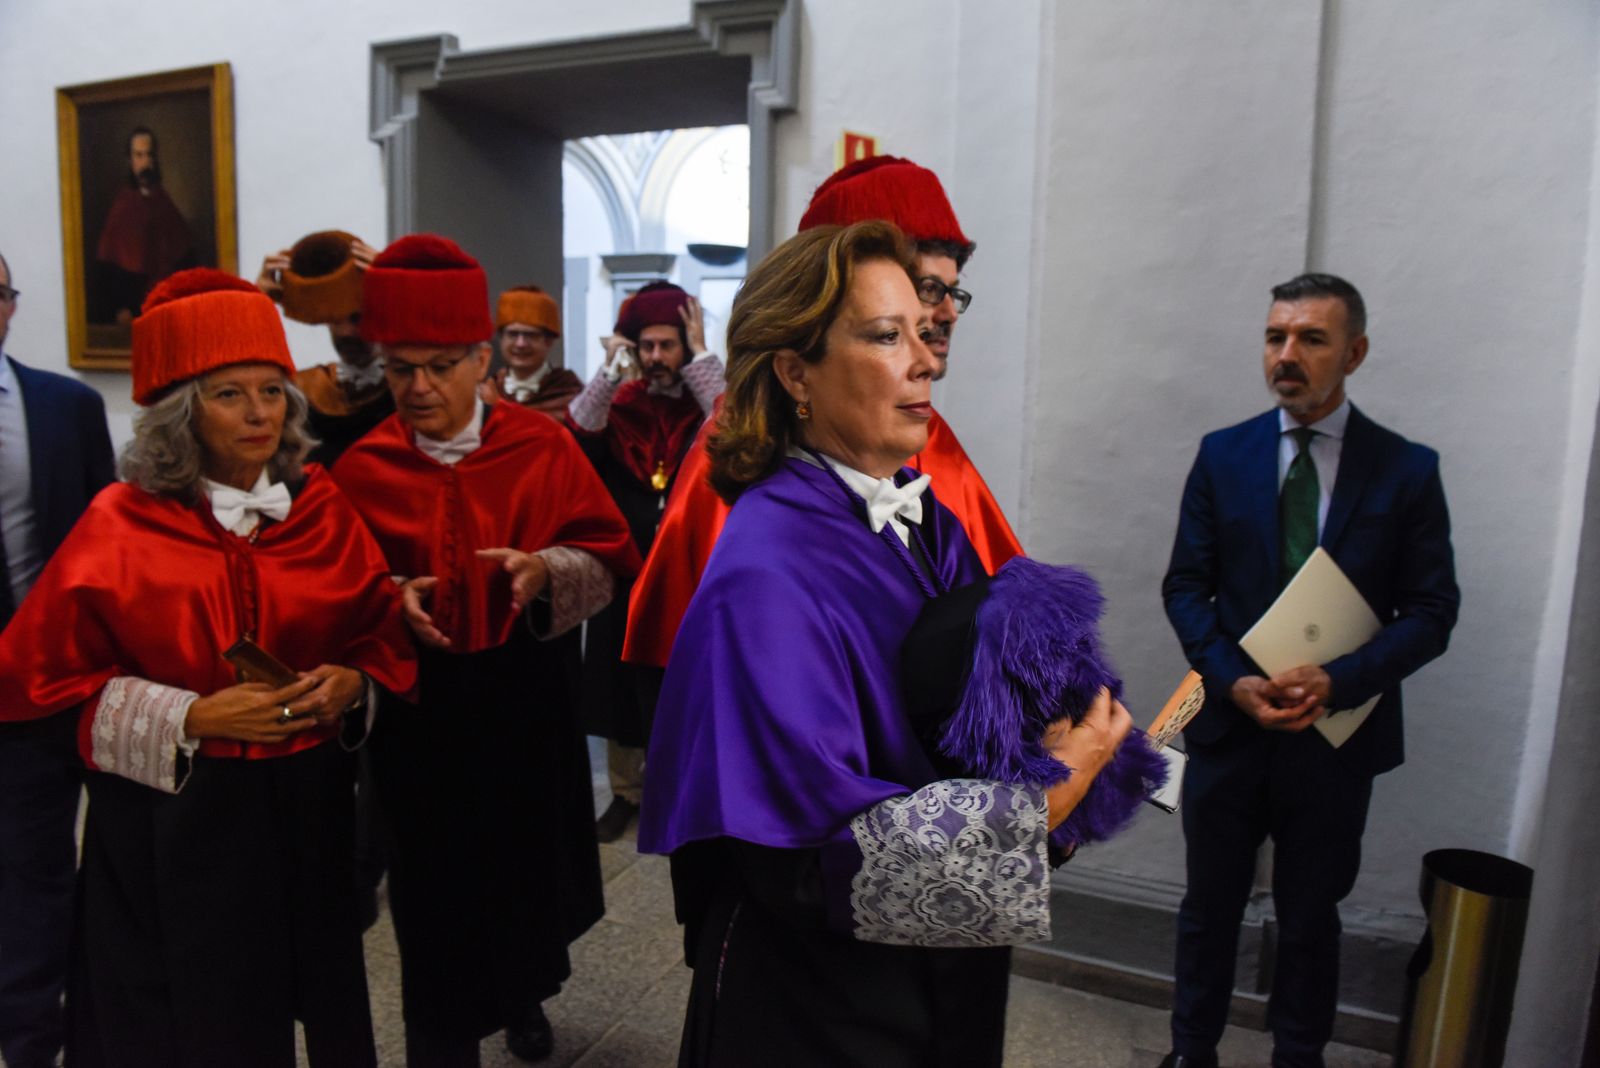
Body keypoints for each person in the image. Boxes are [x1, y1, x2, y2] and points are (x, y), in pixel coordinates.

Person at [639, 221, 1142, 1067]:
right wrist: (1047, 799)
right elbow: (800, 868)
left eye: (924, 330)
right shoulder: (765, 574)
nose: (929, 360)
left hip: (937, 970)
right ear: (796, 371)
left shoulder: (918, 517)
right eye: (884, 336)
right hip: (824, 1004)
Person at [0, 268, 417, 1067]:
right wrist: (189, 716)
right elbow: (37, 689)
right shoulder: (117, 524)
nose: (260, 413)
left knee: (316, 998)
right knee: (190, 1024)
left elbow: (380, 638)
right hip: (176, 825)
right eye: (229, 394)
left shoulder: (321, 506)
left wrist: (353, 683)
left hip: (307, 813)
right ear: (180, 413)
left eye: (272, 391)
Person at [331, 234, 641, 1067]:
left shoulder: (540, 446)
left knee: (518, 876)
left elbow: (608, 554)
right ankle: (444, 1038)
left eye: (438, 366)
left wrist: (545, 569)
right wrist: (386, 599)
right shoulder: (361, 467)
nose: (418, 388)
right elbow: (335, 586)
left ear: (480, 361)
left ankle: (523, 997)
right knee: (432, 894)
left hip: (522, 699)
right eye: (400, 369)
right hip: (418, 713)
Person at [1160, 274, 1459, 1068]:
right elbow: (1187, 586)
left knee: (1311, 915)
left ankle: (1299, 1057)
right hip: (1230, 723)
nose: (1286, 355)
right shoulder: (1222, 456)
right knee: (1208, 909)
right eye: (1275, 337)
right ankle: (1191, 1054)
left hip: (1335, 736)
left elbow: (1432, 612)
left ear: (1353, 352)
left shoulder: (1406, 471)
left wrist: (1342, 680)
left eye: (1311, 339)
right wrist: (1230, 679)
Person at [622, 154, 1022, 672]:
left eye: (953, 289)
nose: (945, 313)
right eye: (926, 288)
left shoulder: (924, 433)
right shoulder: (748, 458)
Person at [0, 251, 115, 1068]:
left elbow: (106, 546)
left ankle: (31, 1040)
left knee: (38, 868)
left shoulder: (66, 406)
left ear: (9, 306)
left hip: (42, 685)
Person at [567, 281, 724, 842]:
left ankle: (680, 790)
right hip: (626, 571)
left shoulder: (702, 402)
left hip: (688, 572)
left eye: (668, 346)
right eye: (647, 346)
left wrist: (705, 358)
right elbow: (577, 437)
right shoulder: (621, 405)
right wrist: (611, 369)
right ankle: (627, 793)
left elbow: (734, 426)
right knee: (615, 683)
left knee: (683, 682)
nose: (657, 358)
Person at [256, 230, 394, 465]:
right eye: (334, 319)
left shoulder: (412, 390)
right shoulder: (306, 390)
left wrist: (401, 289)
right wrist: (256, 305)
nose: (344, 332)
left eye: (356, 318)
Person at [93, 126, 194, 323]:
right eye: (138, 156)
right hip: (132, 306)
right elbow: (108, 266)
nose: (145, 162)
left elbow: (184, 255)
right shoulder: (122, 206)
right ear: (130, 161)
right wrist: (120, 306)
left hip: (165, 305)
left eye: (148, 155)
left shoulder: (164, 202)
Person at [480, 285, 582, 417]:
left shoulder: (568, 392)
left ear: (549, 341)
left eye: (530, 335)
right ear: (501, 338)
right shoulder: (488, 389)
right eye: (513, 334)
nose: (520, 343)